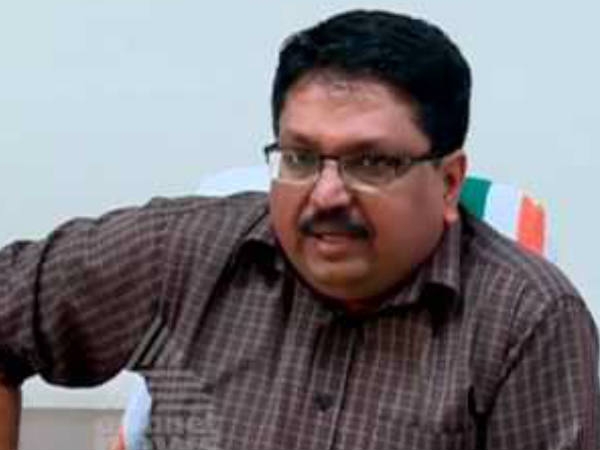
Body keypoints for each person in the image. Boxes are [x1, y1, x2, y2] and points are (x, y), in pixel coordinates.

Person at [0, 9, 598, 450]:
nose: (326, 194)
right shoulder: (185, 251)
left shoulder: (527, 321)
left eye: (372, 162)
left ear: (447, 182)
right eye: (301, 158)